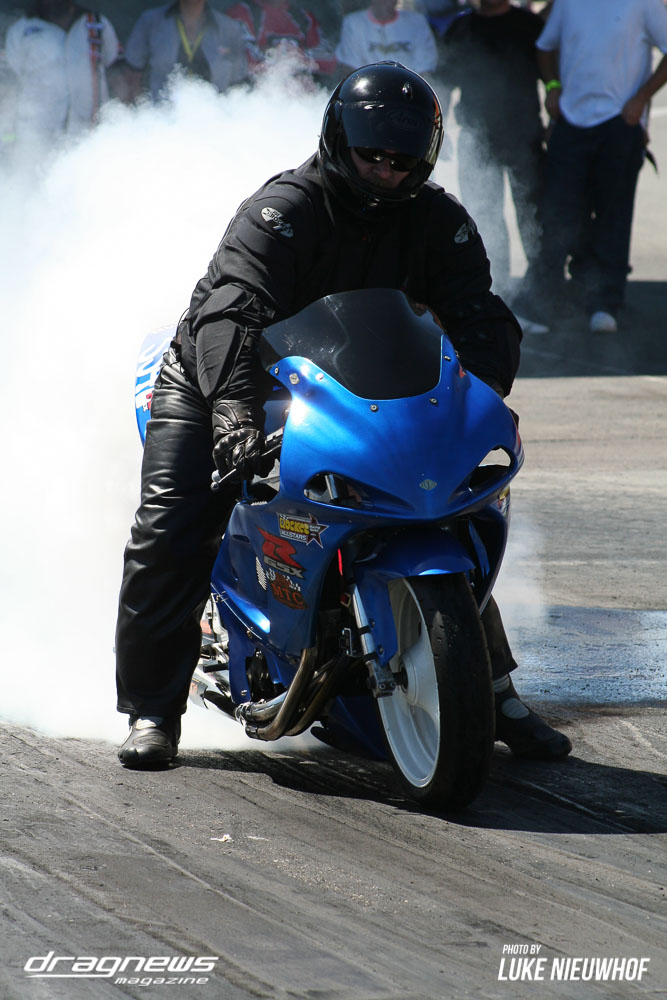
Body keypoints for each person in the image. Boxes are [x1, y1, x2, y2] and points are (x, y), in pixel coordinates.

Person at [115, 61, 572, 768]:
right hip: (222, 374)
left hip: (350, 388)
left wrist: (477, 399)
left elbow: (478, 317)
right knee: (173, 522)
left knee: (443, 507)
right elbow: (230, 314)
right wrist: (232, 412)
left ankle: (494, 691)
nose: (386, 172)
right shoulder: (281, 213)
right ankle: (152, 709)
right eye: (372, 156)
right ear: (337, 140)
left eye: (402, 161)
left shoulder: (440, 222)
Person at [525, 0, 667, 334]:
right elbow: (545, 48)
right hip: (571, 122)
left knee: (612, 216)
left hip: (619, 121)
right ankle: (545, 301)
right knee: (558, 213)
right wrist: (553, 88)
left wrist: (642, 98)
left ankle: (605, 303)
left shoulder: (643, 3)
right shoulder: (569, 2)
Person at [440, 0, 546, 320]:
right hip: (477, 141)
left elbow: (553, 73)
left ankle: (539, 297)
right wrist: (438, 127)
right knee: (483, 217)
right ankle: (496, 294)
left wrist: (556, 115)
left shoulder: (528, 25)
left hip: (524, 136)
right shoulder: (461, 28)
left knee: (534, 216)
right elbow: (445, 82)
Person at [4, 0, 119, 149]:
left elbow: (116, 73)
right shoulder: (21, 29)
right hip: (35, 138)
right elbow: (8, 86)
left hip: (88, 136)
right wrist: (7, 140)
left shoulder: (96, 24)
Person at [122, 0, 249, 102]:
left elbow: (238, 87)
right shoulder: (150, 21)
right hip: (161, 118)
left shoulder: (230, 29)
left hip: (214, 118)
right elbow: (131, 76)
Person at [223, 0, 336, 84]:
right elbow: (242, 61)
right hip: (258, 96)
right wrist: (280, 55)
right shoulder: (241, 13)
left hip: (302, 98)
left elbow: (330, 61)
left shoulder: (304, 17)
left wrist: (297, 54)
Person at [336, 0, 438, 77]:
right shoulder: (353, 23)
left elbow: (425, 68)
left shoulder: (416, 22)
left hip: (408, 89)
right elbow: (350, 67)